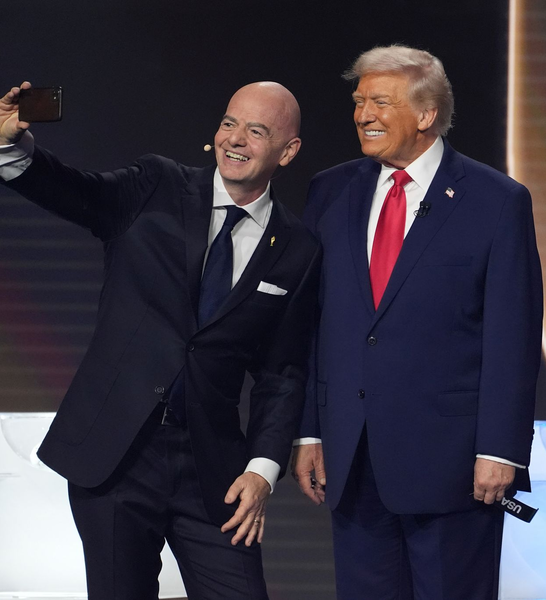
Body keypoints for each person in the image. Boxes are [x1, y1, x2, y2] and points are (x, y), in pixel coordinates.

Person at [0, 80, 321, 598]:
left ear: (288, 151)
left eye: (256, 131)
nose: (234, 140)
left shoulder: (298, 248)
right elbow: (74, 191)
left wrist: (262, 471)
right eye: (228, 123)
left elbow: (282, 372)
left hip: (213, 470)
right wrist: (10, 148)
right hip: (116, 458)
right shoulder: (157, 185)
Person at [291, 45, 542, 599]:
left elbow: (513, 336)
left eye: (379, 101)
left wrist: (499, 450)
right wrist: (310, 428)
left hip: (454, 466)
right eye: (358, 102)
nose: (362, 114)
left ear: (427, 114)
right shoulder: (330, 191)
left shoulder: (496, 200)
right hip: (352, 460)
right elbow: (312, 323)